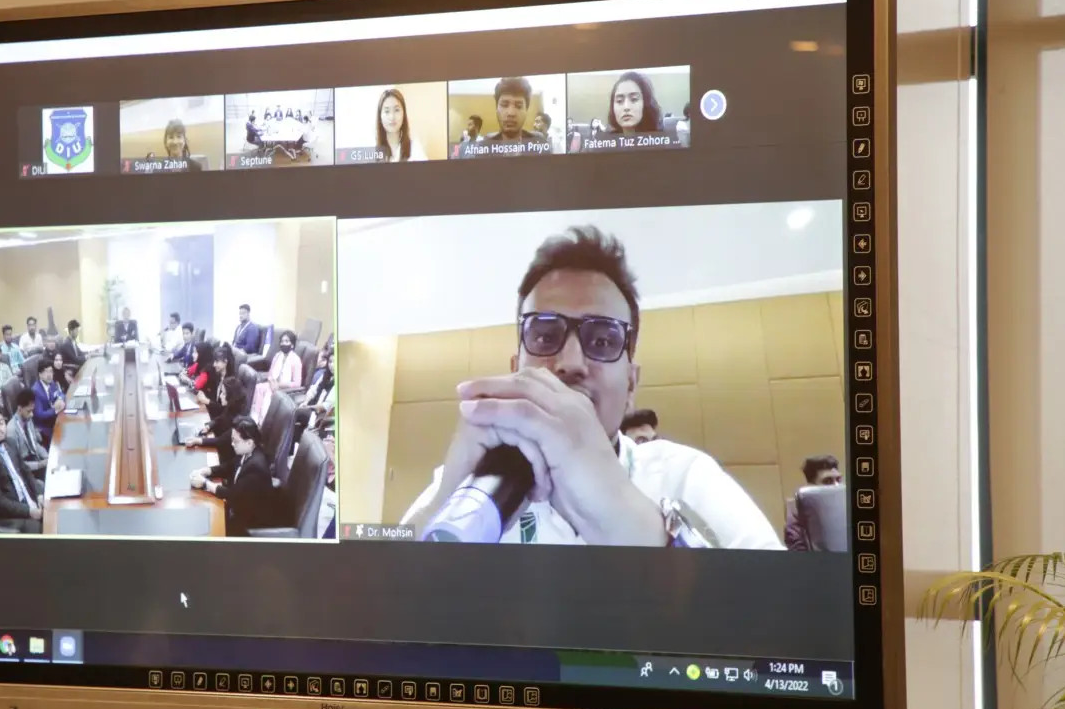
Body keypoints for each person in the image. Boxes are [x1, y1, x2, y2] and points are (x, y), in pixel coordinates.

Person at [400, 226, 782, 548]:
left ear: (631, 384)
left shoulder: (685, 475)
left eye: (602, 340)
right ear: (516, 371)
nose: (570, 363)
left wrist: (640, 528)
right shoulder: (465, 483)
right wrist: (442, 505)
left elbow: (791, 607)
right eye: (545, 335)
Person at [191, 416, 279, 536]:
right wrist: (207, 471)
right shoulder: (248, 451)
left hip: (251, 522)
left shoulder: (255, 468)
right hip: (241, 507)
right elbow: (229, 466)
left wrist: (206, 484)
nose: (232, 444)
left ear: (249, 442)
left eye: (235, 441)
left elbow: (233, 495)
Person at [0, 403, 44, 533]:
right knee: (40, 528)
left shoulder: (10, 442)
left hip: (25, 499)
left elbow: (26, 471)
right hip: (7, 514)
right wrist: (28, 511)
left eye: (1, 423)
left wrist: (38, 494)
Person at [186, 375, 248, 476]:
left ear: (231, 396)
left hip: (225, 459)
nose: (220, 396)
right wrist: (209, 426)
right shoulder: (230, 407)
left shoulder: (237, 419)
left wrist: (197, 440)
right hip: (220, 446)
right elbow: (220, 419)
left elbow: (220, 441)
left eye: (223, 393)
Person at [784, 454, 843, 552]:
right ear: (812, 486)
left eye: (838, 480)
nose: (836, 486)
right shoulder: (797, 510)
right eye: (828, 481)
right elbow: (797, 548)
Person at [251, 330, 302, 422]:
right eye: (282, 341)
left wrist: (279, 385)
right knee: (258, 387)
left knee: (268, 394)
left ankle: (263, 422)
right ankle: (255, 419)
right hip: (272, 384)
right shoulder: (277, 355)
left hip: (284, 388)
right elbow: (270, 374)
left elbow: (297, 383)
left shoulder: (296, 360)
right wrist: (272, 382)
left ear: (292, 345)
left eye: (286, 341)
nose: (283, 343)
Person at [483, 77, 544, 145]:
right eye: (504, 105)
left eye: (518, 106)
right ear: (496, 108)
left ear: (526, 110)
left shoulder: (539, 144)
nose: (511, 113)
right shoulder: (484, 146)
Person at [8, 387, 51, 478]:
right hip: (26, 470)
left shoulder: (28, 419)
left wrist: (48, 457)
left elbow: (35, 444)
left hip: (36, 459)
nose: (32, 414)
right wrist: (40, 465)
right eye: (29, 411)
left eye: (32, 410)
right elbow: (18, 464)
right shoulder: (11, 431)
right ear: (20, 409)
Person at [375, 88, 426, 162]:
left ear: (403, 114)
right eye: (387, 111)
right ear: (380, 116)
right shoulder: (371, 149)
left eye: (396, 110)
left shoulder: (414, 148)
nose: (392, 117)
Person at [295, 348, 335, 437]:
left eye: (335, 362)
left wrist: (309, 407)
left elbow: (326, 406)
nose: (332, 365)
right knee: (294, 412)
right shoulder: (325, 375)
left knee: (296, 413)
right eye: (330, 362)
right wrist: (305, 402)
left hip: (321, 416)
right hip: (312, 408)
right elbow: (313, 390)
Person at [31, 356, 66, 447]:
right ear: (40, 374)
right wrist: (56, 409)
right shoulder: (36, 391)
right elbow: (39, 415)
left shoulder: (51, 383)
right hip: (45, 427)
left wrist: (60, 399)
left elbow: (61, 394)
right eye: (46, 372)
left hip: (54, 419)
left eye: (51, 371)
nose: (49, 375)